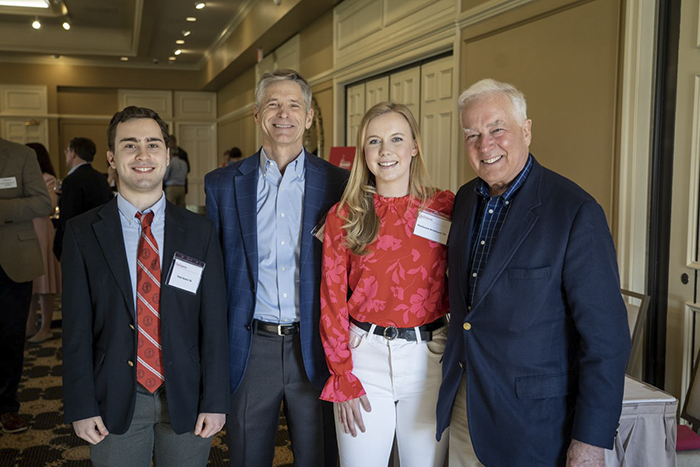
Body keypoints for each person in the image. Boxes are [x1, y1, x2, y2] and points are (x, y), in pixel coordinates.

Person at [435, 79, 631, 466]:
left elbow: (607, 339)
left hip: (536, 426)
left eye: (497, 129)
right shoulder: (462, 201)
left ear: (526, 130)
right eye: (472, 134)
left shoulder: (575, 212)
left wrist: (590, 440)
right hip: (465, 407)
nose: (484, 145)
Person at [62, 106, 230, 466]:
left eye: (153, 144)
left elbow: (214, 324)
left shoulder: (200, 232)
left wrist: (216, 400)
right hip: (113, 398)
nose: (142, 155)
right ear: (111, 157)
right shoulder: (81, 233)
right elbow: (75, 330)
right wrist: (81, 405)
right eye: (129, 145)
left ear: (167, 156)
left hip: (187, 395)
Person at [205, 69, 348, 467]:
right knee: (247, 457)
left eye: (294, 105)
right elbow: (215, 275)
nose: (283, 113)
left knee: (319, 457)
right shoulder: (221, 184)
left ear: (309, 117)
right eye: (273, 104)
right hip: (251, 348)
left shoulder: (340, 183)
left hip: (316, 348)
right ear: (256, 114)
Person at [320, 102, 453, 467]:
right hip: (364, 360)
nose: (385, 151)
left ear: (414, 146)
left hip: (430, 360)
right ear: (364, 152)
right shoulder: (345, 215)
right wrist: (341, 374)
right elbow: (332, 300)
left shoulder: (445, 206)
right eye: (374, 141)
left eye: (396, 138)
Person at [0, 137, 52, 433]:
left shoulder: (21, 155)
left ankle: (7, 406)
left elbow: (42, 202)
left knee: (10, 337)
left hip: (12, 263)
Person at [25, 143, 61, 343]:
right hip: (26, 231)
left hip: (41, 230)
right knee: (30, 281)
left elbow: (48, 206)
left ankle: (45, 326)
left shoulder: (47, 179)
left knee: (45, 280)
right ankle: (30, 325)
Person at [53, 136, 113, 260]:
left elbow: (68, 218)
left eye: (67, 151)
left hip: (78, 244)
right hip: (100, 241)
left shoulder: (71, 180)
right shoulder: (100, 177)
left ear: (73, 153)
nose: (66, 155)